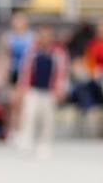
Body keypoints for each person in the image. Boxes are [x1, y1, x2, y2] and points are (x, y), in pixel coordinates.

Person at [15, 25, 69, 159]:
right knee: (29, 116)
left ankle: (45, 144)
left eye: (47, 35)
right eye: (42, 35)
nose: (45, 38)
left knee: (48, 120)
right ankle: (27, 141)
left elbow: (62, 72)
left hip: (49, 91)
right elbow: (25, 70)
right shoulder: (32, 51)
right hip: (32, 90)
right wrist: (22, 88)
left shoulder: (58, 52)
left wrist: (60, 89)